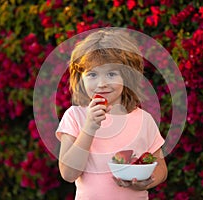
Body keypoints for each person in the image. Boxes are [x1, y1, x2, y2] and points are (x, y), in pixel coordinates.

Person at [56, 28, 167, 200]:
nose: (102, 83)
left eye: (111, 73)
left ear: (127, 76)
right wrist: (89, 127)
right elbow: (69, 173)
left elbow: (161, 168)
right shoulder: (75, 117)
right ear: (80, 78)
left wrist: (148, 181)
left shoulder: (144, 120)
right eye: (92, 74)